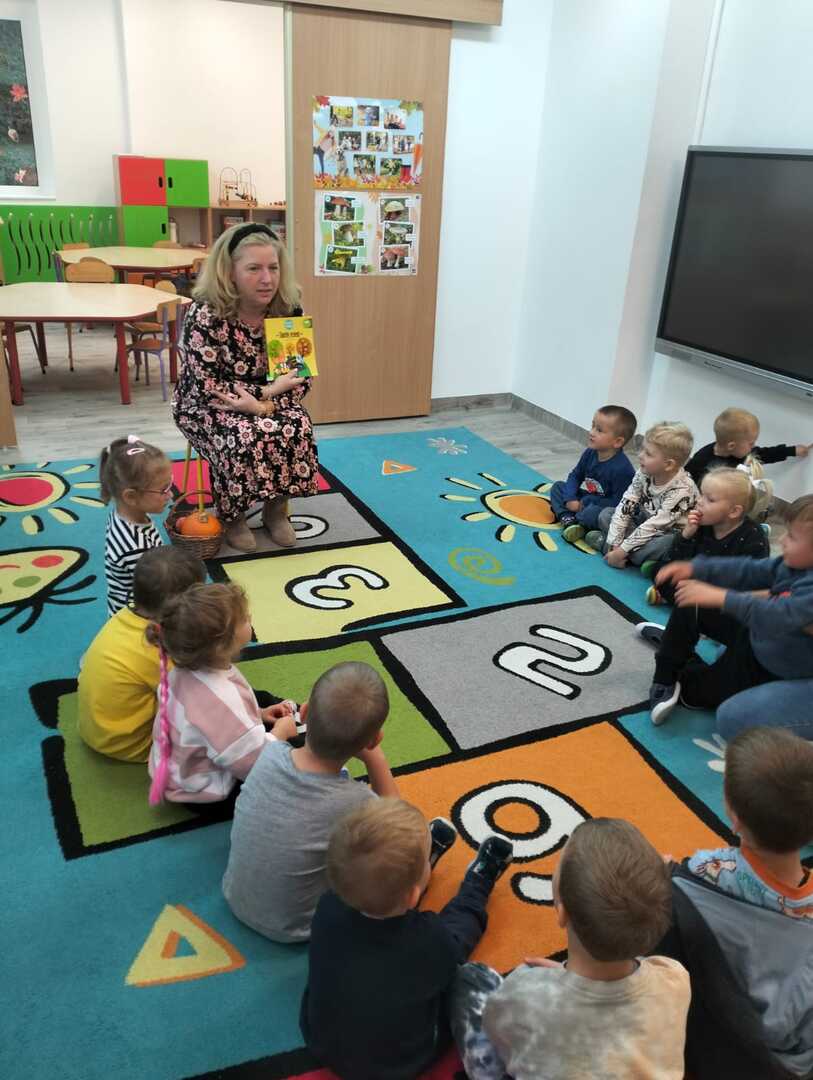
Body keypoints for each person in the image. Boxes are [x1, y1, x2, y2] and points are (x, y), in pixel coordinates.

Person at [449, 818, 689, 1080]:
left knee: (470, 978)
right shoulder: (674, 976)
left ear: (562, 913)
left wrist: (551, 985)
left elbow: (498, 1030)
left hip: (535, 1025)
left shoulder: (527, 992)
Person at [300, 798, 514, 1080]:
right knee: (464, 958)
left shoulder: (327, 906)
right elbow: (453, 948)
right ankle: (478, 883)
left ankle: (401, 877)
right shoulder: (428, 939)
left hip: (321, 1042)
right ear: (415, 895)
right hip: (401, 1063)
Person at [660, 728, 813, 1078]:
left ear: (735, 817)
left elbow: (677, 884)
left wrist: (665, 872)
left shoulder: (705, 873)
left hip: (723, 1042)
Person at [222, 661, 400, 943]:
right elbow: (397, 818)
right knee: (389, 855)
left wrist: (282, 731)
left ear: (304, 713)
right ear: (374, 740)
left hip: (233, 895)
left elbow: (275, 743)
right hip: (297, 928)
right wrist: (375, 757)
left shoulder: (269, 754)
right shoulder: (357, 801)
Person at [173, 222, 318, 554]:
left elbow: (300, 376)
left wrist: (263, 402)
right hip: (206, 405)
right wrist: (265, 393)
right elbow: (209, 386)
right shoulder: (206, 313)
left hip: (267, 399)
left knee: (298, 425)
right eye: (254, 269)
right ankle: (233, 515)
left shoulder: (289, 308)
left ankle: (275, 510)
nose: (267, 279)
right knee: (241, 434)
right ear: (230, 272)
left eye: (273, 268)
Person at [637, 494, 813, 725]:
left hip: (767, 663)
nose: (782, 540)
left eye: (791, 536)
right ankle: (667, 667)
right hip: (756, 635)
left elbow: (780, 614)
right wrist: (697, 568)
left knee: (694, 694)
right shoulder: (794, 565)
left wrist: (722, 597)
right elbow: (749, 570)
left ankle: (678, 649)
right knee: (693, 599)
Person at [146, 582, 297, 805]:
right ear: (220, 645)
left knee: (262, 699)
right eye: (244, 619)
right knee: (295, 755)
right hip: (205, 792)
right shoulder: (221, 698)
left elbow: (208, 724)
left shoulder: (182, 671)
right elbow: (255, 764)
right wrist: (280, 734)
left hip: (179, 769)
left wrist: (259, 713)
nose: (250, 618)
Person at [77, 546, 205, 762]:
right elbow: (195, 695)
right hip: (131, 744)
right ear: (181, 607)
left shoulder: (124, 615)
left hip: (94, 729)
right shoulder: (158, 647)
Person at [584, 421, 698, 572]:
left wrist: (622, 550)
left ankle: (607, 546)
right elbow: (626, 504)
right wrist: (615, 543)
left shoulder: (682, 490)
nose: (640, 455)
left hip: (668, 532)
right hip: (643, 521)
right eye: (643, 449)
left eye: (648, 454)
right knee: (606, 514)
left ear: (669, 465)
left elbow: (655, 526)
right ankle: (626, 554)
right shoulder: (644, 472)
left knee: (666, 543)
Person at [646, 467, 769, 606]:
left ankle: (675, 600)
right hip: (698, 581)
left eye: (710, 499)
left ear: (734, 511)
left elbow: (751, 584)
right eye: (701, 494)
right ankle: (679, 600)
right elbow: (679, 559)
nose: (699, 501)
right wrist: (686, 535)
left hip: (725, 592)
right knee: (660, 571)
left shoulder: (753, 539)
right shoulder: (703, 524)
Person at [99, 435, 171, 616]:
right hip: (137, 618)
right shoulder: (136, 549)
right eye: (163, 489)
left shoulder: (127, 514)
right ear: (131, 497)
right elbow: (155, 595)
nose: (170, 495)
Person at [547, 405, 636, 544]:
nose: (592, 432)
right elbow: (576, 475)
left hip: (603, 508)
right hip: (587, 500)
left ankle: (580, 522)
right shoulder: (590, 453)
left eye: (599, 430)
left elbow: (619, 503)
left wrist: (584, 503)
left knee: (591, 514)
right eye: (593, 426)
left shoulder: (622, 469)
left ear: (617, 441)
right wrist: (570, 498)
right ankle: (568, 518)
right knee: (558, 487)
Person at [686, 407, 810, 488]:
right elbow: (686, 482)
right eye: (751, 443)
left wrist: (792, 450)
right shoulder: (701, 460)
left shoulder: (741, 452)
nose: (753, 446)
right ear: (731, 446)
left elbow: (766, 454)